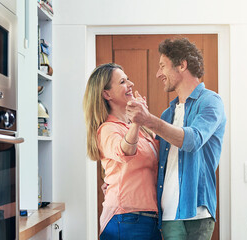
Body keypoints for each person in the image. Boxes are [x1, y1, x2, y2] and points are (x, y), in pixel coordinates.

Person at [126, 38, 226, 240]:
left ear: (182, 64)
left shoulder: (210, 102)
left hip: (195, 213)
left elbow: (193, 140)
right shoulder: (166, 115)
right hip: (167, 214)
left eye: (162, 66)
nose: (158, 74)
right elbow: (154, 161)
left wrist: (149, 120)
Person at [83, 63, 162, 240]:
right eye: (123, 81)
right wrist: (136, 122)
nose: (131, 84)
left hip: (149, 219)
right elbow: (125, 150)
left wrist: (145, 120)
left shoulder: (141, 130)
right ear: (106, 94)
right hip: (125, 219)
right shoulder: (107, 129)